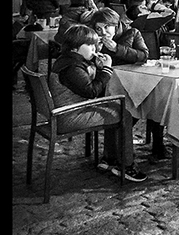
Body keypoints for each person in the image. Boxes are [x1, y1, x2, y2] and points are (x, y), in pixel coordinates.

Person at [49, 24, 147, 182]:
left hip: (65, 111)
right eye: (89, 45)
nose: (94, 48)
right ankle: (126, 166)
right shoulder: (72, 67)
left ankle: (109, 159)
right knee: (125, 114)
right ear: (75, 47)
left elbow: (86, 88)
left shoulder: (67, 60)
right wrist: (107, 70)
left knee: (114, 109)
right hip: (70, 116)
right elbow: (92, 92)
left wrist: (98, 69)